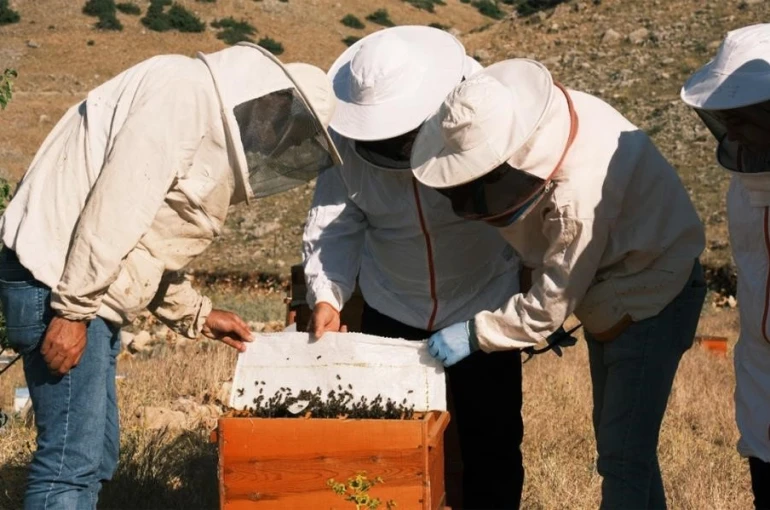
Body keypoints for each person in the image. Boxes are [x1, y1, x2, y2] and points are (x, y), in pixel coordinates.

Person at [0, 42, 342, 510]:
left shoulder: (189, 104)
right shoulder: (182, 96)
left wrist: (199, 314)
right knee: (68, 468)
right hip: (59, 285)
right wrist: (72, 313)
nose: (283, 145)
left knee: (95, 458)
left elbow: (139, 244)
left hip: (77, 289)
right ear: (275, 103)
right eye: (292, 130)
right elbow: (114, 212)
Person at [410, 58, 707, 509]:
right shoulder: (539, 127)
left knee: (622, 455)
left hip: (653, 293)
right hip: (617, 281)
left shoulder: (577, 195)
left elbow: (553, 300)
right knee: (627, 449)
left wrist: (476, 332)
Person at [302, 26, 525, 509]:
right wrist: (327, 295)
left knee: (492, 445)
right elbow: (334, 224)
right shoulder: (345, 143)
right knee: (394, 449)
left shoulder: (475, 106)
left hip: (483, 303)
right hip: (393, 307)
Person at [680, 23, 770, 510]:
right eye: (724, 118)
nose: (731, 132)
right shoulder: (743, 183)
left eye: (741, 118)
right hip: (761, 376)